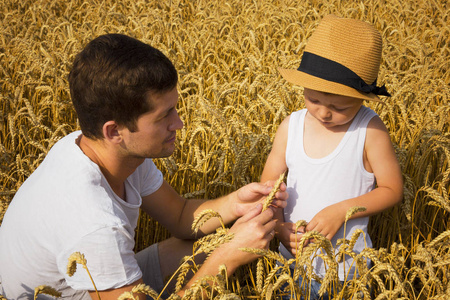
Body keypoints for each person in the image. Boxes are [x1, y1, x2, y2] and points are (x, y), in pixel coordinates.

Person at [0, 33, 288, 300]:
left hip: (92, 276)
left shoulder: (106, 151)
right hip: (68, 292)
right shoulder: (95, 224)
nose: (179, 123)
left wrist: (236, 203)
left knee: (200, 247)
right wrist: (228, 258)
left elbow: (180, 215)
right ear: (114, 132)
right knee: (220, 250)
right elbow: (100, 232)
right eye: (164, 116)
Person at [260, 15, 403, 299]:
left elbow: (392, 190)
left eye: (339, 107)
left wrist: (342, 211)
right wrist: (279, 227)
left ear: (362, 99)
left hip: (348, 272)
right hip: (289, 263)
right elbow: (270, 187)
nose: (324, 113)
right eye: (313, 100)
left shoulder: (369, 130)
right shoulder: (291, 126)